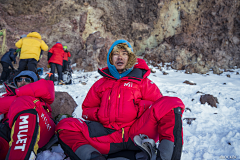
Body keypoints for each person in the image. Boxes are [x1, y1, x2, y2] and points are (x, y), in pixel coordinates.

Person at [55, 40, 185, 160]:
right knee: (65, 125)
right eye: (115, 54)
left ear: (130, 58)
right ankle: (93, 157)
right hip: (108, 135)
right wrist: (101, 113)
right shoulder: (100, 84)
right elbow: (86, 110)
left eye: (124, 53)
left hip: (137, 134)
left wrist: (140, 108)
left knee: (171, 104)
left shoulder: (143, 82)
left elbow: (159, 108)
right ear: (110, 59)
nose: (120, 57)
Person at [0, 70, 55, 159]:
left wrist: (19, 97)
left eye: (27, 80)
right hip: (8, 132)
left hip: (39, 128)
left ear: (34, 82)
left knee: (23, 101)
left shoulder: (39, 95)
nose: (22, 82)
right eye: (19, 79)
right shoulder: (9, 96)